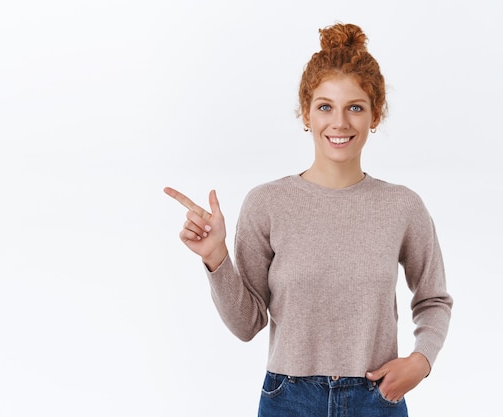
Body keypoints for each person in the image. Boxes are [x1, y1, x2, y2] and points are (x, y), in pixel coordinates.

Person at [164, 22, 452, 417]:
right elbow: (248, 324)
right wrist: (216, 257)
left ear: (375, 115)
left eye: (355, 107)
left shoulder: (402, 207)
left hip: (376, 397)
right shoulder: (267, 203)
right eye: (325, 106)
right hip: (289, 399)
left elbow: (433, 298)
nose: (340, 122)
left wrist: (421, 360)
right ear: (306, 113)